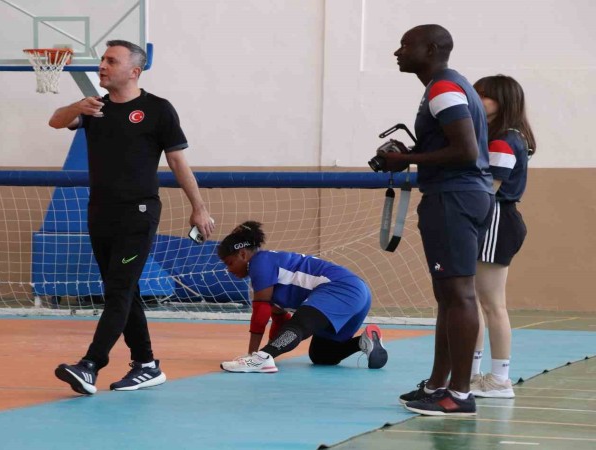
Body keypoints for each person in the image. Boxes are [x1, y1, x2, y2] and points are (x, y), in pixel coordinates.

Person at [48, 40, 215, 395]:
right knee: (123, 289)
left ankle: (90, 365)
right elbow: (55, 121)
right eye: (102, 59)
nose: (102, 66)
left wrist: (199, 207)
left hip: (137, 213)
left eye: (112, 61)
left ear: (134, 71)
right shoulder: (94, 108)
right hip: (100, 212)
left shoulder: (158, 109)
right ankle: (146, 365)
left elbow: (177, 161)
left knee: (119, 290)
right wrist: (78, 105)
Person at [379, 25, 495, 416]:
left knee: (459, 294)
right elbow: (454, 146)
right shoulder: (445, 87)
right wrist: (413, 153)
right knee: (448, 295)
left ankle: (459, 395)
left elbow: (465, 151)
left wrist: (405, 159)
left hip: (454, 197)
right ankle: (437, 385)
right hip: (459, 195)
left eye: (405, 45)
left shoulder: (444, 88)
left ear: (430, 49)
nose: (397, 51)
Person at [217, 221, 388, 373]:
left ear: (243, 255)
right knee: (322, 355)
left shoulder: (259, 263)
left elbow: (260, 315)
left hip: (341, 288)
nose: (229, 270)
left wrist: (254, 355)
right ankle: (364, 341)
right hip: (358, 294)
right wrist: (272, 350)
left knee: (299, 325)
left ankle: (260, 360)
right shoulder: (270, 268)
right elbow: (280, 320)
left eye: (229, 263)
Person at [469, 75, 536, 399]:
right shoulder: (502, 137)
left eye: (486, 96)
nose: (478, 100)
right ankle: (471, 375)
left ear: (504, 101)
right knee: (473, 301)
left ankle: (499, 380)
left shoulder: (504, 141)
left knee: (492, 304)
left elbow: (487, 190)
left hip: (496, 220)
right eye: (476, 93)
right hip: (492, 219)